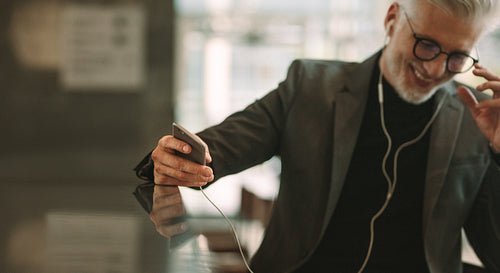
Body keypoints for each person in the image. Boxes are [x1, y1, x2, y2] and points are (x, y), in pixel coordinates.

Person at [134, 0, 500, 272]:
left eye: (457, 57)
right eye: (427, 45)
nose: (436, 68)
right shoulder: (311, 87)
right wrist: (176, 158)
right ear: (391, 20)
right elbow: (225, 146)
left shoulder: (480, 118)